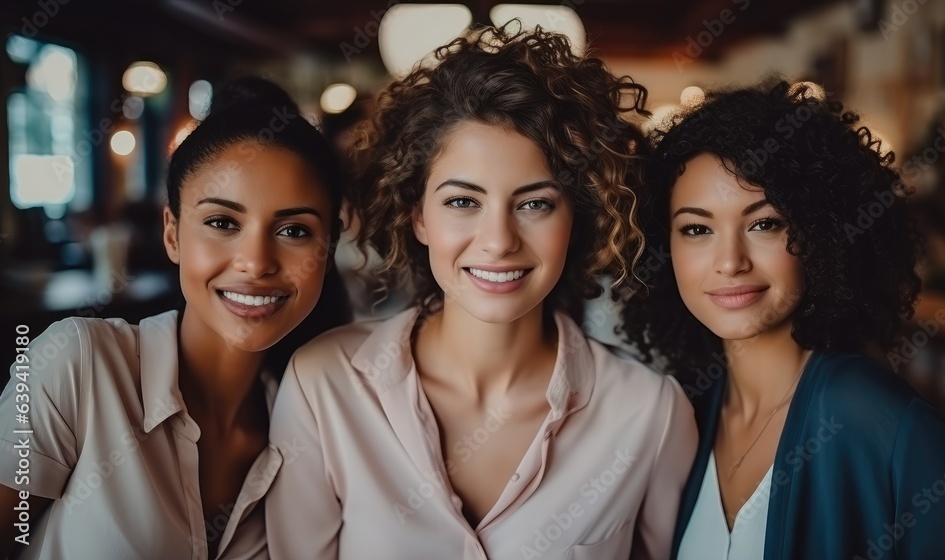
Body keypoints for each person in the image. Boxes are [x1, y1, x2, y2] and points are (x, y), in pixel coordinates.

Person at [265, 23, 697, 560]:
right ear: (417, 215)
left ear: (576, 219)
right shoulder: (323, 384)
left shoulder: (650, 415)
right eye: (463, 202)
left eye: (535, 203)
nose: (498, 242)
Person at [619, 80, 945, 560]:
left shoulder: (887, 425)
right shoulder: (685, 414)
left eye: (765, 223)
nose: (730, 261)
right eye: (696, 229)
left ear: (823, 234)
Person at [0, 76, 351, 559]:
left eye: (294, 230)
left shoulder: (316, 428)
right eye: (222, 223)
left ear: (328, 249)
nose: (255, 262)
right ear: (172, 234)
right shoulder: (79, 363)